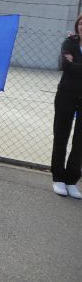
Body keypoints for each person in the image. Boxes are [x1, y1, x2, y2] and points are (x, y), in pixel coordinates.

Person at [50, 14, 82, 199]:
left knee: (79, 142)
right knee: (61, 136)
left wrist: (75, 64)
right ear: (77, 26)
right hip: (66, 95)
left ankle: (71, 181)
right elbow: (65, 66)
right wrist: (72, 65)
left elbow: (72, 67)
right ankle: (58, 178)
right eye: (80, 23)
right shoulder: (69, 43)